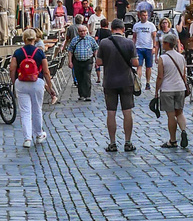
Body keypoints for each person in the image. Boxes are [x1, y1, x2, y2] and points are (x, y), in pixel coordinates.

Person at [98, 19, 140, 152]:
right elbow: (135, 63)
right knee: (127, 112)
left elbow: (99, 62)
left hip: (109, 81)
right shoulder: (129, 43)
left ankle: (112, 143)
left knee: (111, 112)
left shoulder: (104, 43)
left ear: (111, 29)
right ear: (123, 29)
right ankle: (128, 142)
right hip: (126, 81)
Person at [10, 28, 49, 149]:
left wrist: (14, 82)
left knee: (25, 111)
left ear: (24, 39)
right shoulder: (40, 52)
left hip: (21, 83)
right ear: (35, 38)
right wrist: (50, 87)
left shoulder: (18, 52)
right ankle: (38, 134)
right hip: (37, 82)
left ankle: (27, 138)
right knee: (37, 109)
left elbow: (12, 68)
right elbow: (46, 71)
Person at [156, 31, 190, 149]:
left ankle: (173, 140)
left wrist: (156, 91)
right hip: (180, 88)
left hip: (167, 89)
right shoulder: (181, 57)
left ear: (166, 43)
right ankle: (184, 130)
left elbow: (160, 76)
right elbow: (184, 75)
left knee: (171, 115)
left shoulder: (163, 58)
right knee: (179, 112)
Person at [67, 23, 98, 101]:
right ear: (78, 32)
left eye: (84, 31)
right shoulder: (75, 40)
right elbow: (70, 51)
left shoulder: (90, 39)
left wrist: (97, 60)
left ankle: (87, 95)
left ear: (86, 31)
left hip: (88, 60)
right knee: (79, 78)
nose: (82, 33)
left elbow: (96, 49)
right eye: (81, 31)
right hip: (77, 61)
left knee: (87, 77)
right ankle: (81, 94)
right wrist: (70, 61)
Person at [132, 10, 158, 80]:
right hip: (139, 48)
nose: (145, 17)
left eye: (146, 15)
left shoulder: (151, 25)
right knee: (139, 65)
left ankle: (148, 82)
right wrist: (133, 47)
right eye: (143, 15)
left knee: (148, 67)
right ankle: (138, 81)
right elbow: (134, 37)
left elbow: (154, 37)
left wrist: (154, 47)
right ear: (140, 16)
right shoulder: (136, 25)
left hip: (148, 48)